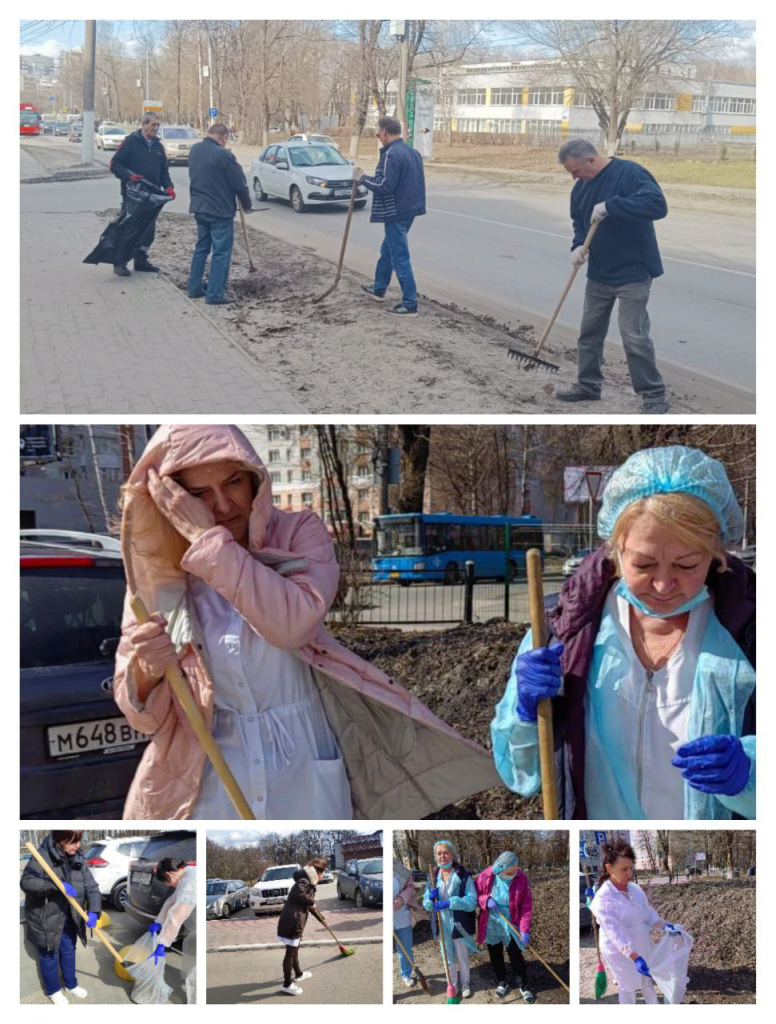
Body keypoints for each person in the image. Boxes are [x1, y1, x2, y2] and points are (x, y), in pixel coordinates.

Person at [114, 424, 499, 819]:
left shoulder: (298, 534)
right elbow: (144, 718)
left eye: (233, 483)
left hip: (304, 763)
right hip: (209, 776)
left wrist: (207, 541)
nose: (223, 505)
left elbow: (292, 625)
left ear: (255, 480)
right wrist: (145, 671)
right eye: (199, 495)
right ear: (173, 499)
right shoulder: (157, 575)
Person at [492, 445, 755, 819]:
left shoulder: (751, 632)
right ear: (615, 550)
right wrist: (526, 714)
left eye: (687, 563)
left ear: (715, 553)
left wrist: (751, 773)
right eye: (643, 563)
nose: (664, 585)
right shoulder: (566, 630)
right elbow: (522, 774)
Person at [554, 139, 669, 414]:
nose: (574, 177)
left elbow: (657, 206)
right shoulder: (580, 189)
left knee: (633, 335)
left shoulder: (630, 173)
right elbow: (579, 222)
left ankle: (654, 395)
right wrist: (578, 245)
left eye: (576, 170)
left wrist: (612, 206)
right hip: (599, 273)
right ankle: (588, 386)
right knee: (589, 333)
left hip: (634, 271)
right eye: (570, 173)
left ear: (591, 160)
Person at [590, 840, 684, 1004]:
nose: (630, 873)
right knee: (628, 986)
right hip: (618, 951)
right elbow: (615, 934)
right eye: (624, 869)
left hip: (640, 941)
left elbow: (648, 914)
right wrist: (634, 956)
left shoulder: (635, 889)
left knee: (646, 980)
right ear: (609, 868)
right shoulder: (603, 900)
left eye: (631, 867)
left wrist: (665, 926)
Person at [355, 115, 426, 317]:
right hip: (409, 210)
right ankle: (379, 288)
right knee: (388, 250)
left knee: (400, 257)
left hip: (395, 213)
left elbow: (384, 185)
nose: (379, 136)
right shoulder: (412, 152)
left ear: (385, 132)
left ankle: (410, 303)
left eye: (379, 132)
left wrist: (362, 179)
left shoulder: (391, 155)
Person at [21, 831, 101, 1004]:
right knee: (49, 955)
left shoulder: (79, 858)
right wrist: (54, 885)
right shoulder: (42, 855)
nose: (78, 845)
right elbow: (27, 882)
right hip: (46, 917)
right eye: (73, 841)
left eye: (79, 840)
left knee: (68, 951)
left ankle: (71, 985)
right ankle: (53, 990)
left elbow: (92, 887)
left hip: (70, 916)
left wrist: (94, 910)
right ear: (60, 839)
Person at [186, 123, 253, 305]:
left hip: (200, 207)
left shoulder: (195, 150)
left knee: (201, 248)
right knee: (221, 253)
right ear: (224, 137)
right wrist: (247, 205)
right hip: (220, 211)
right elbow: (240, 184)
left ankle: (194, 288)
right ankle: (215, 294)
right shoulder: (225, 155)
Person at [109, 112, 175, 277]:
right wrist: (129, 177)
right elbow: (115, 164)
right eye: (153, 125)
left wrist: (168, 186)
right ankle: (120, 263)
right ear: (144, 124)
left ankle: (141, 260)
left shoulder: (158, 147)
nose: (155, 128)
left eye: (158, 125)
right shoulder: (131, 143)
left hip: (152, 198)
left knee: (148, 230)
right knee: (128, 229)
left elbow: (163, 171)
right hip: (133, 196)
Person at [134, 858, 197, 1004]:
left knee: (196, 968)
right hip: (194, 927)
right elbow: (172, 901)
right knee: (192, 957)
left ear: (169, 875)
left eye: (166, 882)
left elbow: (177, 915)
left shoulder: (189, 883)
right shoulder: (187, 876)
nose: (169, 885)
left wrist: (163, 942)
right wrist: (158, 922)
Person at [474, 851, 534, 1002]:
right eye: (509, 871)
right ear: (501, 868)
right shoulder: (487, 875)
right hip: (491, 922)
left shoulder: (521, 878)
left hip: (510, 922)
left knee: (516, 956)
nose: (513, 873)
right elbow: (474, 894)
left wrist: (524, 929)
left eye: (515, 870)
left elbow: (526, 906)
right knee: (495, 956)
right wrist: (486, 900)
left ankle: (524, 987)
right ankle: (502, 982)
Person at [422, 839, 477, 999]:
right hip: (442, 924)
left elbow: (472, 901)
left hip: (459, 923)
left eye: (445, 852)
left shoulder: (463, 875)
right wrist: (430, 900)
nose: (442, 856)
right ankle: (452, 984)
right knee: (448, 956)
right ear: (435, 857)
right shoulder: (433, 877)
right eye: (439, 853)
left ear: (452, 855)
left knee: (462, 955)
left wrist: (450, 903)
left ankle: (465, 983)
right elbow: (427, 903)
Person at [276, 858, 327, 995]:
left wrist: (322, 919)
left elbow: (310, 906)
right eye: (323, 873)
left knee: (294, 950)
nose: (323, 876)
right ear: (318, 872)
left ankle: (298, 974)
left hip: (293, 919)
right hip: (293, 921)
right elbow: (300, 894)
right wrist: (312, 901)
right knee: (291, 952)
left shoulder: (307, 882)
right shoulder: (304, 881)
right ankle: (287, 984)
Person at [394, 862, 421, 988]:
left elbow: (410, 887)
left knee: (405, 948)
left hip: (401, 916)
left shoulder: (397, 867)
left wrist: (401, 898)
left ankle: (406, 974)